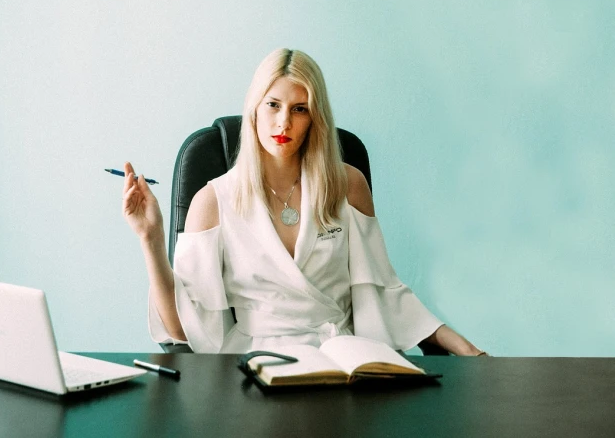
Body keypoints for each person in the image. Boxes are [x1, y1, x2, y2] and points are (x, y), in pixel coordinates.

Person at [122, 48, 486, 356]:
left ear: (315, 118)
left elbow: (383, 290)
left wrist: (464, 347)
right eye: (273, 105)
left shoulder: (348, 185)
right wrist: (150, 238)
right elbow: (183, 327)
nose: (284, 122)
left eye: (300, 109)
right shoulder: (212, 201)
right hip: (257, 360)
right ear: (254, 110)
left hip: (341, 354)